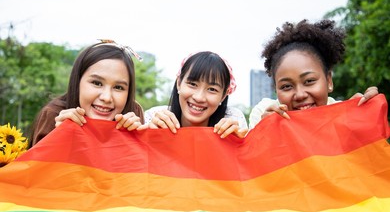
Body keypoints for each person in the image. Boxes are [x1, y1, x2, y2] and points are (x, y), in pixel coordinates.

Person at [249, 19, 378, 129]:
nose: (300, 95)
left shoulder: (346, 117)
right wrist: (264, 133)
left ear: (329, 81)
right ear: (276, 90)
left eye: (309, 81)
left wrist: (368, 117)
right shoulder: (263, 114)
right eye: (286, 86)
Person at [28, 40, 144, 147]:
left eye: (118, 87)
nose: (106, 97)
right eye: (97, 83)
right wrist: (58, 137)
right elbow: (35, 168)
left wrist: (140, 139)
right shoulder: (54, 115)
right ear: (77, 81)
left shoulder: (133, 113)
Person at [144, 51, 248, 138]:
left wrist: (238, 144)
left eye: (212, 89)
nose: (199, 98)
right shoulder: (155, 117)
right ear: (179, 83)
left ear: (224, 95)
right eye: (192, 84)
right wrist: (150, 136)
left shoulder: (234, 120)